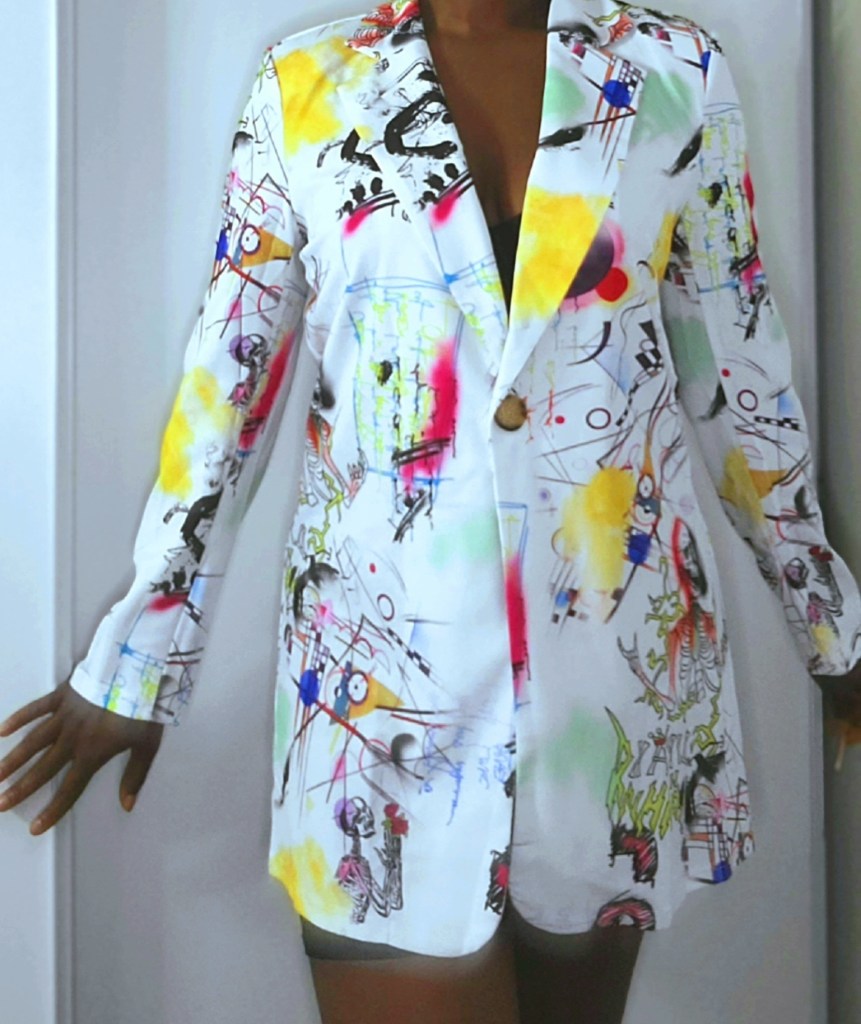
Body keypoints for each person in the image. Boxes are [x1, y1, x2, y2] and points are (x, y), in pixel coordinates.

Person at [2, 1, 861, 1021]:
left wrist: (831, 630)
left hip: (612, 712)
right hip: (377, 717)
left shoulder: (673, 72)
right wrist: (140, 660)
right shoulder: (306, 87)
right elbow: (229, 388)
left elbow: (739, 378)